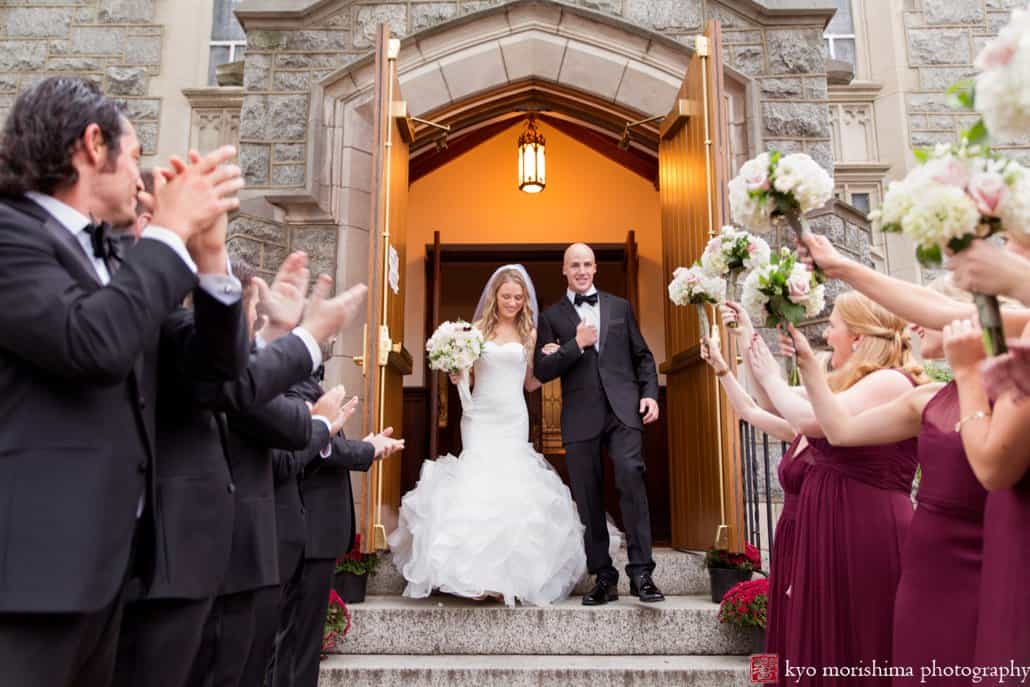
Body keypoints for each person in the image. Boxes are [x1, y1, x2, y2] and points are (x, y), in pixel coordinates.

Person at [0, 76, 244, 687]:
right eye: (134, 155)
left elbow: (208, 374)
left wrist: (210, 258)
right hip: (30, 571)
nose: (143, 181)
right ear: (91, 145)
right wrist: (166, 234)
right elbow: (91, 343)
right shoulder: (12, 235)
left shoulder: (108, 253)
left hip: (109, 569)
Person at [747, 291, 926, 686]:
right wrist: (751, 349)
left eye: (833, 327)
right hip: (830, 522)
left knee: (860, 635)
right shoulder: (851, 383)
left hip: (865, 524)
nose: (827, 336)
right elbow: (776, 405)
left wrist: (776, 376)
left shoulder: (890, 381)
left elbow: (811, 420)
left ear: (859, 337)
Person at [390, 265, 589, 607]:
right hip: (480, 415)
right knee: (478, 482)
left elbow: (530, 383)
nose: (512, 302)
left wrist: (562, 358)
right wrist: (456, 374)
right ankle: (474, 577)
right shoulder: (475, 331)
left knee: (511, 485)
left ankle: (506, 578)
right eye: (506, 296)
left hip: (513, 415)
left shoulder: (529, 333)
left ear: (524, 299)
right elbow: (467, 380)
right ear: (495, 297)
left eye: (518, 297)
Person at [533, 243, 664, 605]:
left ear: (595, 268)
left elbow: (643, 356)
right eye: (574, 265)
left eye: (587, 264)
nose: (581, 270)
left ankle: (642, 574)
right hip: (580, 415)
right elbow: (542, 371)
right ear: (564, 270)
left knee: (630, 477)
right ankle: (603, 577)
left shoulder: (620, 306)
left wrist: (650, 394)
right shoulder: (551, 317)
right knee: (588, 498)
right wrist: (573, 345)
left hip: (624, 411)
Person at [264, 366, 403, 687]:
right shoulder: (289, 381)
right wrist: (367, 450)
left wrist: (362, 445)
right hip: (308, 527)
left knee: (299, 641)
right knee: (297, 641)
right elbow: (310, 446)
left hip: (314, 530)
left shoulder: (304, 379)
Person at [699, 303, 806, 687]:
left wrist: (757, 351)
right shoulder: (801, 432)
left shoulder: (823, 428)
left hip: (814, 534)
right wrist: (724, 366)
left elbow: (770, 396)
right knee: (785, 627)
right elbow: (748, 409)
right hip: (790, 538)